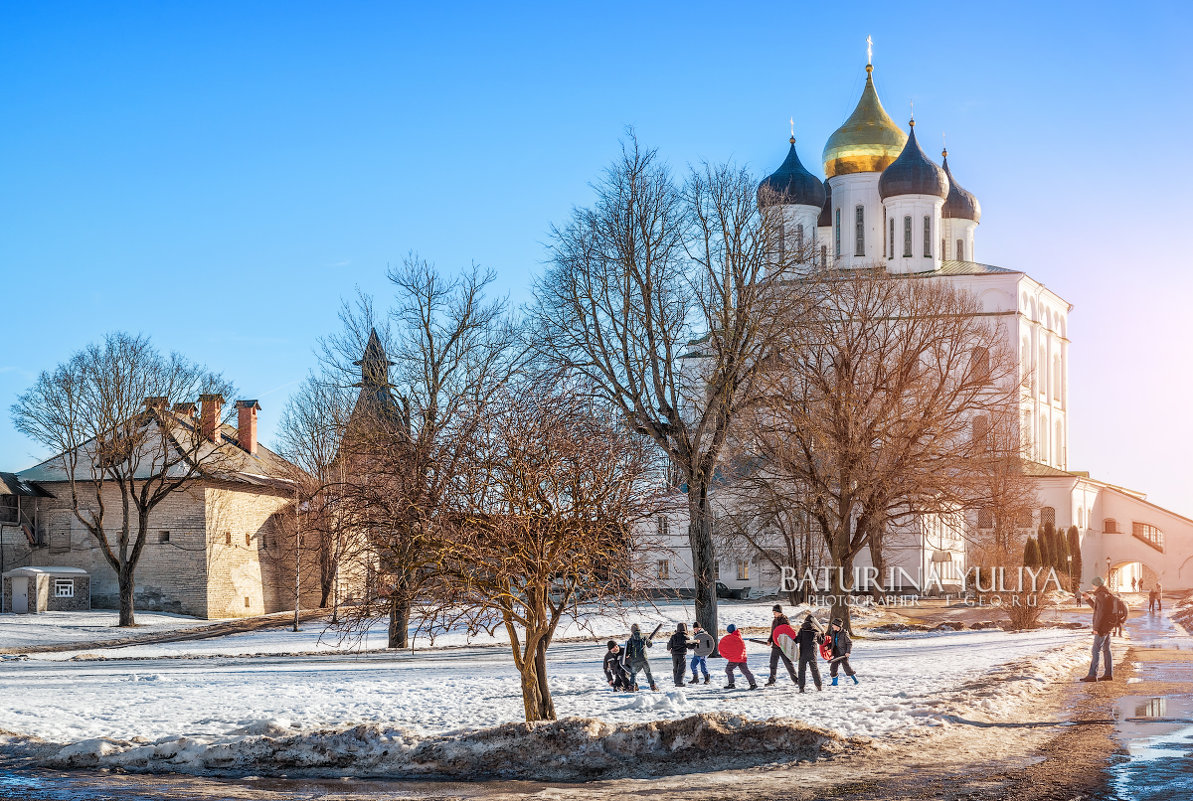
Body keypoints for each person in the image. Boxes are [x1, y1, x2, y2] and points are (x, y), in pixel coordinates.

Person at [1079, 576, 1116, 682]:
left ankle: (1092, 675)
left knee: (1095, 650)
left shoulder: (1100, 595)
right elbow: (1098, 608)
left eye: (1093, 585)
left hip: (1102, 628)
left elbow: (1100, 613)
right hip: (1108, 626)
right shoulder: (1106, 594)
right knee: (1106, 649)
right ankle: (1108, 674)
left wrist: (1096, 628)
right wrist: (1088, 599)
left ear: (1096, 585)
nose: (1092, 586)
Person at [764, 605, 799, 686]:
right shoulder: (774, 621)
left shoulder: (784, 620)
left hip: (783, 646)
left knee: (788, 664)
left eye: (775, 612)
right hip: (775, 646)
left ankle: (796, 680)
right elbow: (773, 633)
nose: (774, 614)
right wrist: (770, 640)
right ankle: (772, 680)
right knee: (773, 664)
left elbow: (787, 633)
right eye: (773, 612)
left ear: (779, 612)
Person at [718, 624, 758, 690]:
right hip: (742, 657)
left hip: (735, 658)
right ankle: (753, 684)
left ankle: (731, 684)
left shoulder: (733, 638)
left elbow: (732, 648)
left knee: (728, 670)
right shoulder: (738, 636)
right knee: (745, 671)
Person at [624, 623, 658, 691]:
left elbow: (628, 650)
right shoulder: (644, 637)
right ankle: (653, 687)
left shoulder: (631, 639)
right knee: (648, 673)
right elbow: (649, 645)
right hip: (644, 659)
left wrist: (627, 655)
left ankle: (631, 688)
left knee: (633, 674)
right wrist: (649, 640)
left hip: (635, 660)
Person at [794, 614, 824, 692]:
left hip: (803, 653)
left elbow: (797, 640)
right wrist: (823, 634)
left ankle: (801, 688)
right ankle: (819, 686)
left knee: (801, 670)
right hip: (812, 654)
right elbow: (821, 642)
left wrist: (790, 641)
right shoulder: (816, 632)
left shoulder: (802, 630)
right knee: (814, 670)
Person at [828, 617, 859, 686]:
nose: (832, 626)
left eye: (833, 625)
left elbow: (849, 643)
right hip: (836, 653)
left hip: (843, 653)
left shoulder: (844, 633)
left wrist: (848, 652)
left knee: (847, 668)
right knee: (833, 668)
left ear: (837, 626)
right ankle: (834, 683)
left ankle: (856, 680)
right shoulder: (833, 632)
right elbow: (833, 643)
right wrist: (828, 646)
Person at [666, 623, 693, 687]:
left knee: (675, 668)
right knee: (681, 668)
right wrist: (696, 644)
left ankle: (676, 681)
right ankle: (679, 682)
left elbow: (668, 647)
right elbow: (689, 646)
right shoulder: (686, 637)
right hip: (681, 655)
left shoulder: (673, 636)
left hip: (674, 655)